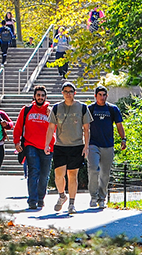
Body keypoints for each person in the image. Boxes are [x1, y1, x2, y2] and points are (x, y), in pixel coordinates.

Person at [45, 82, 91, 213]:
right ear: (62, 93)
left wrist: (86, 146)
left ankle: (72, 203)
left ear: (74, 93)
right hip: (60, 146)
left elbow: (87, 129)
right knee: (58, 175)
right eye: (65, 91)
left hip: (76, 146)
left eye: (70, 91)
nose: (68, 93)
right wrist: (47, 144)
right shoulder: (56, 107)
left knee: (72, 175)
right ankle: (61, 196)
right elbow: (51, 128)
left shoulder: (82, 107)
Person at [14, 85, 54, 210]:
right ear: (34, 96)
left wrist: (53, 115)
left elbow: (57, 128)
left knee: (44, 174)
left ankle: (40, 198)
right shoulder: (26, 110)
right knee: (33, 172)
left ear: (45, 97)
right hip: (30, 145)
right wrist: (16, 142)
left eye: (42, 95)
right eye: (38, 95)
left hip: (47, 147)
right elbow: (18, 127)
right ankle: (32, 200)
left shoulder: (51, 111)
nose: (40, 97)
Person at [85, 85, 126, 210]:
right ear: (95, 96)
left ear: (107, 96)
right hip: (93, 144)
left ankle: (102, 198)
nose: (102, 97)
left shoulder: (113, 109)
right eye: (100, 95)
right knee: (93, 169)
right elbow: (85, 127)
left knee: (105, 173)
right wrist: (85, 144)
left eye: (104, 95)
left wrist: (123, 139)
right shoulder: (90, 109)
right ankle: (93, 196)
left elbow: (119, 125)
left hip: (108, 145)